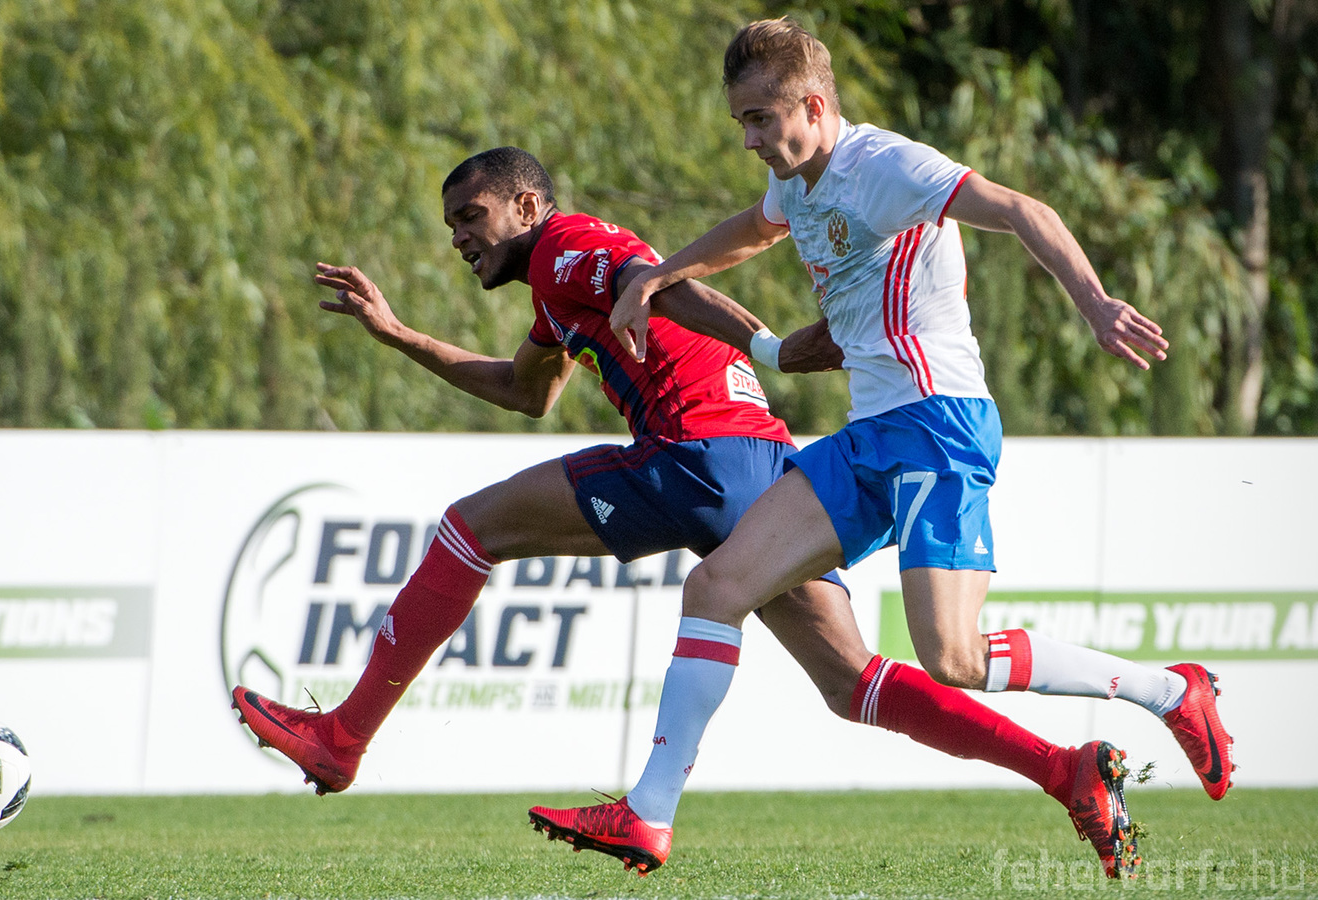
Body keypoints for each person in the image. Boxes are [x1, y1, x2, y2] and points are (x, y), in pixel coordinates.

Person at [232, 146, 1138, 876]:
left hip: (695, 453)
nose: (461, 238)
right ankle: (1064, 772)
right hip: (764, 466)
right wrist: (398, 335)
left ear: (527, 205)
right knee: (852, 683)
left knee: (471, 530)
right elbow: (524, 390)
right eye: (451, 227)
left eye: (472, 216)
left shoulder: (567, 246)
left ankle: (343, 738)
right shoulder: (556, 290)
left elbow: (663, 280)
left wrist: (771, 347)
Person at [529, 18, 1234, 881]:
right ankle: (648, 814)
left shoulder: (886, 166)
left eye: (760, 119)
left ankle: (1170, 691)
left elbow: (1023, 210)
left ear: (813, 106)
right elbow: (755, 228)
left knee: (954, 657)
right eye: (741, 122)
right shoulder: (796, 180)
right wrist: (659, 273)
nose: (750, 141)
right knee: (715, 587)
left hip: (939, 423)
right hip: (867, 436)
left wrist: (1094, 303)